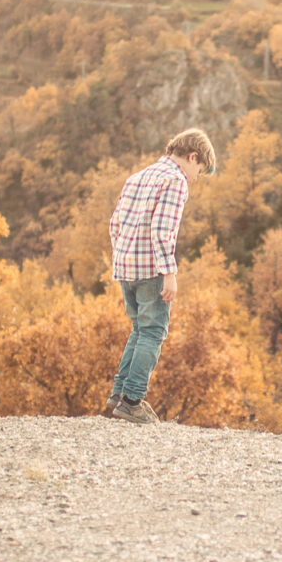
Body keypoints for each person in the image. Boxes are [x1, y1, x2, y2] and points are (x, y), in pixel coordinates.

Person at [106, 128, 217, 423]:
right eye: (199, 170)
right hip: (151, 269)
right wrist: (169, 273)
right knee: (153, 331)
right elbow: (162, 230)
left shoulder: (137, 177)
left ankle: (118, 395)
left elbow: (114, 224)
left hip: (125, 268)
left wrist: (122, 258)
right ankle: (132, 400)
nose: (195, 177)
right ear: (192, 157)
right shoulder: (176, 181)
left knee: (139, 330)